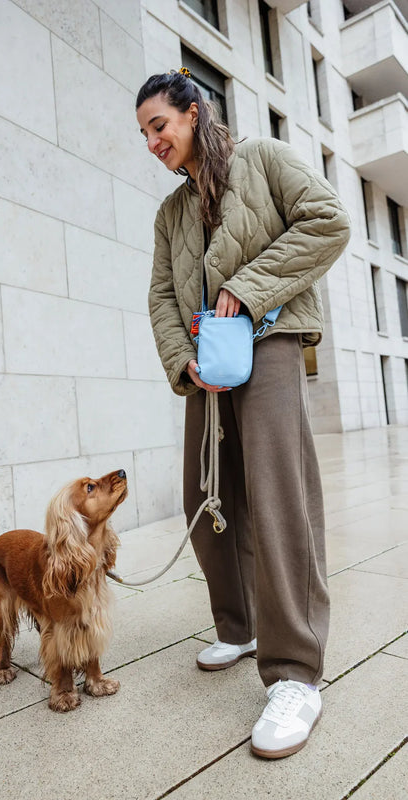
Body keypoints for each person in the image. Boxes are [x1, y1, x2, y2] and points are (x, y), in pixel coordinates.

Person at [136, 69, 350, 759]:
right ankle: (239, 625)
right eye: (142, 132)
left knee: (277, 498)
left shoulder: (266, 159)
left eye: (158, 125)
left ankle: (295, 674)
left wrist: (248, 288)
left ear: (193, 114)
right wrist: (181, 359)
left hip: (272, 347)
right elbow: (160, 298)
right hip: (208, 370)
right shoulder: (171, 212)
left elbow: (329, 222)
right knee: (208, 498)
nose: (150, 141)